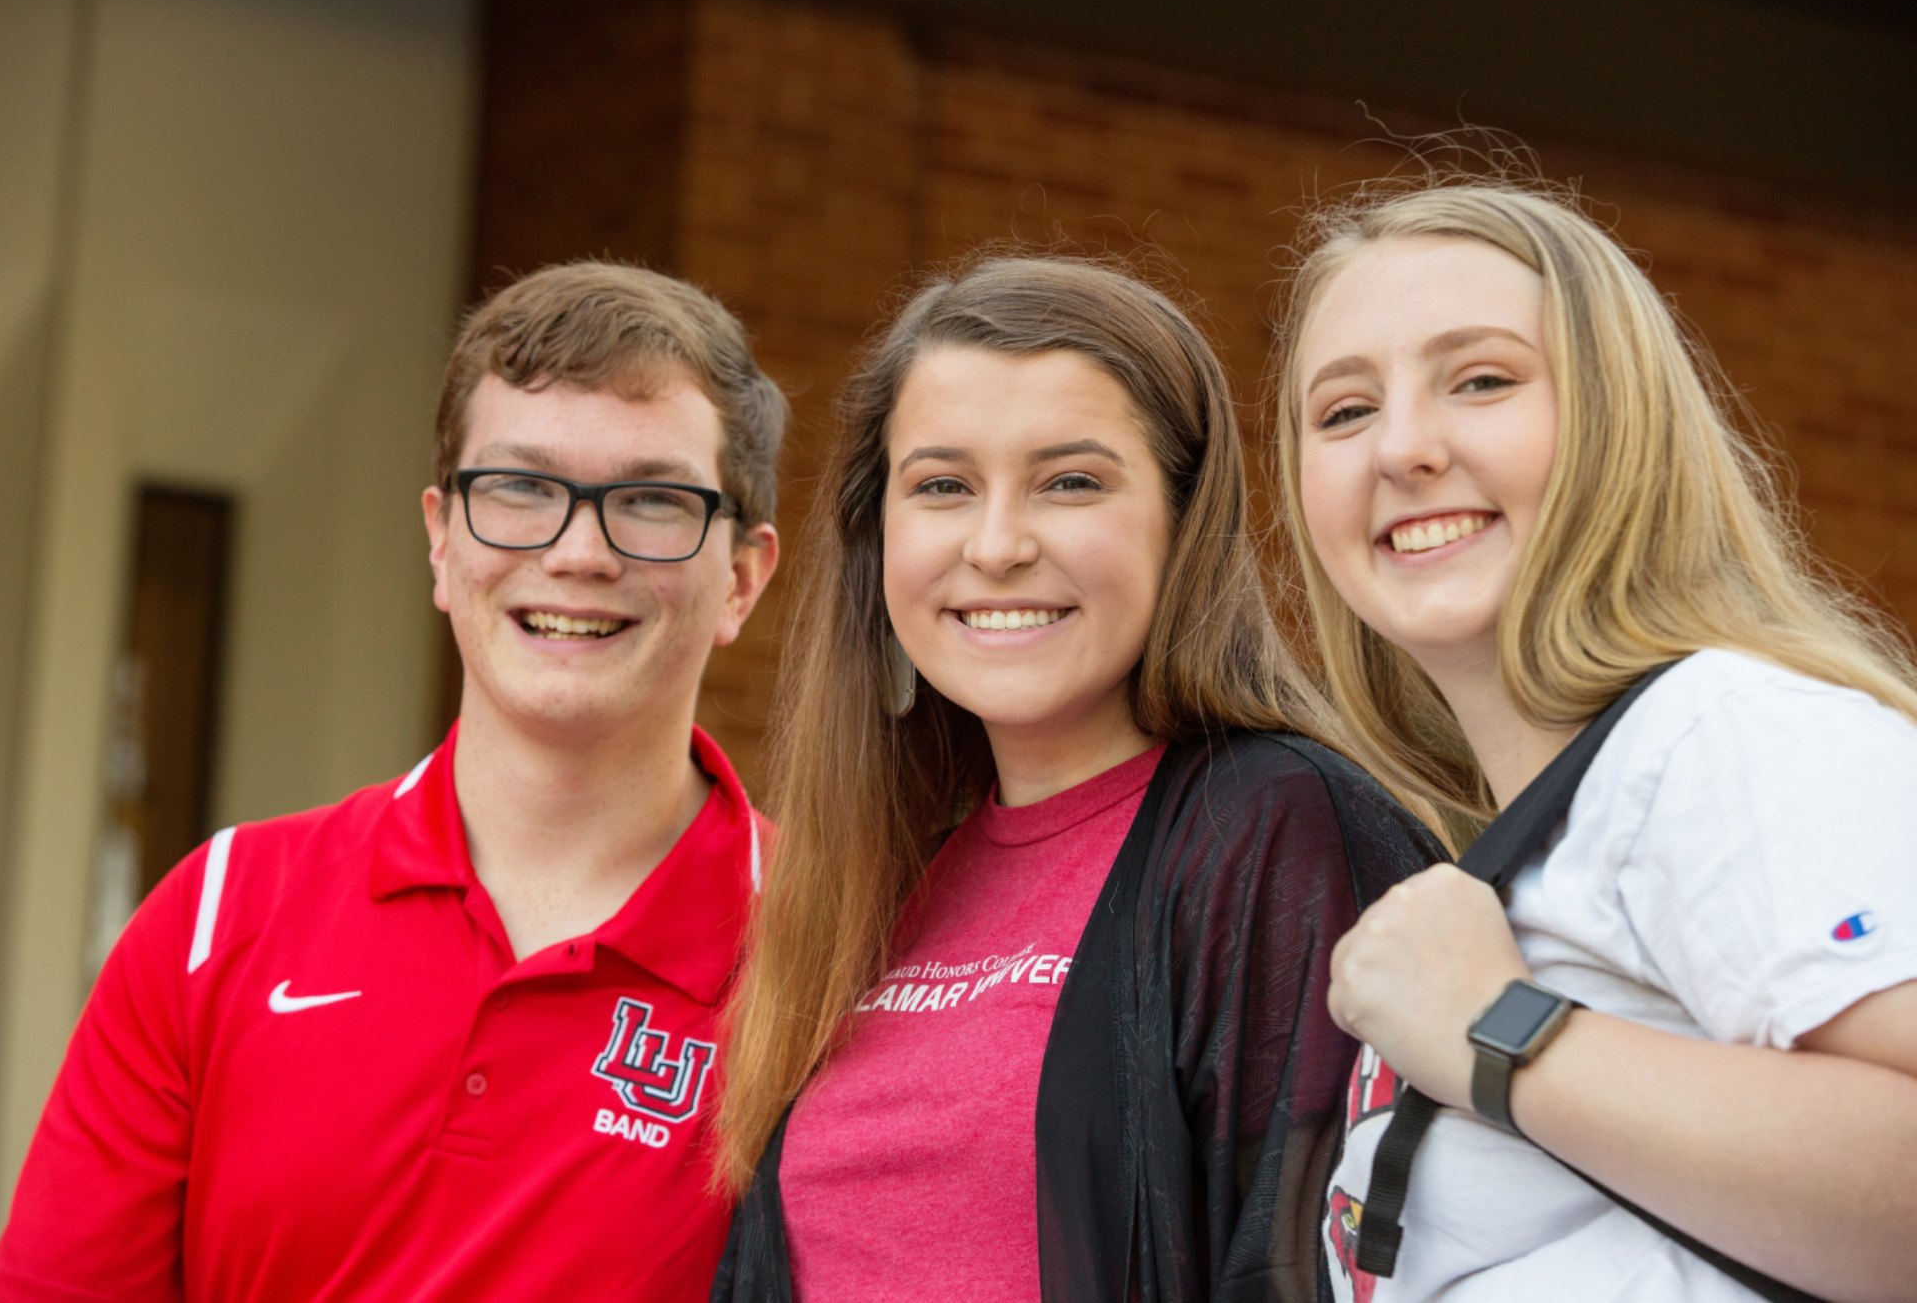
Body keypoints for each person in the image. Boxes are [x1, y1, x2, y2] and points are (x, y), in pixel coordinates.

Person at [0, 262, 784, 1301]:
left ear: (744, 577)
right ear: (442, 540)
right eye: (520, 487)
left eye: (651, 500)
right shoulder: (218, 913)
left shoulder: (833, 950)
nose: (579, 550)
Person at [710, 255, 1440, 1302]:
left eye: (1070, 481)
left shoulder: (1276, 831)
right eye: (942, 486)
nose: (997, 544)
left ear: (1183, 519)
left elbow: (1329, 1263)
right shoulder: (880, 878)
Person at [1273, 180, 1917, 1301]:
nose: (1402, 447)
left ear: (1614, 419)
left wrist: (1500, 1030)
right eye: (1341, 410)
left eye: (1479, 379)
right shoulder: (1543, 821)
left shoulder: (1725, 732)